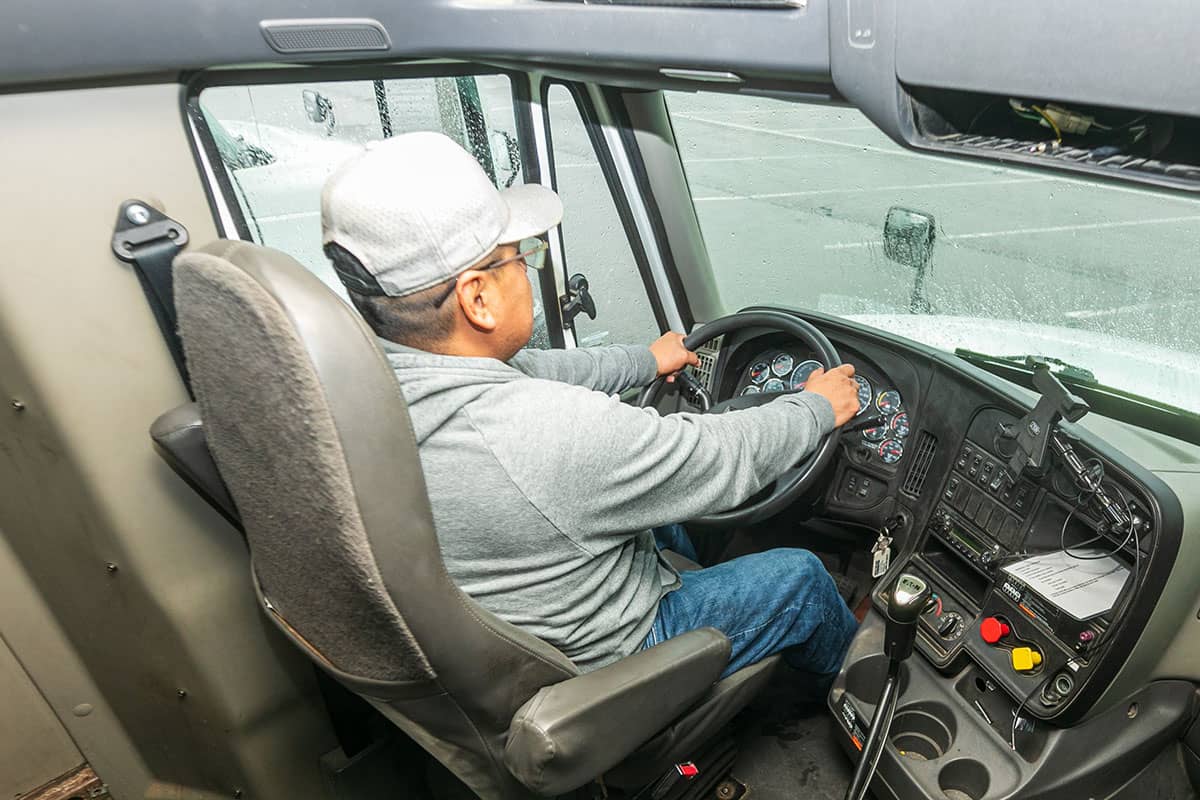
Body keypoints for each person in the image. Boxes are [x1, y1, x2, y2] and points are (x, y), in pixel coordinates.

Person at [320, 131, 860, 687]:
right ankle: (851, 699)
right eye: (520, 258)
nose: (529, 270)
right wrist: (815, 407)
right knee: (801, 577)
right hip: (614, 654)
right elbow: (717, 457)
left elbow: (538, 368)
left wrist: (646, 361)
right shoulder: (544, 433)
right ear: (478, 298)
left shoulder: (360, 387)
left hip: (519, 622)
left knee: (669, 518)